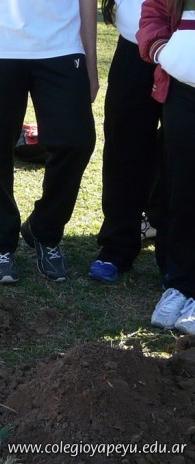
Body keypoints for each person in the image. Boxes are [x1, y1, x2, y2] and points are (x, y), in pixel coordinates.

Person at [0, 0, 98, 283]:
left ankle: (44, 230)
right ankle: (0, 246)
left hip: (62, 46)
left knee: (76, 142)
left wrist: (90, 62)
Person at [88, 0, 165, 283]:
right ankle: (118, 244)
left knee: (181, 151)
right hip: (135, 41)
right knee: (124, 146)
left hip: (187, 48)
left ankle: (174, 252)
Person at [137, 0, 195, 334]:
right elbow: (154, 12)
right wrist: (162, 51)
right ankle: (179, 285)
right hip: (182, 94)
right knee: (181, 190)